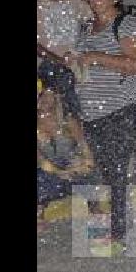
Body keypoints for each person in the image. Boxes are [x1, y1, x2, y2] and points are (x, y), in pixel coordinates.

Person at [67, 0, 136, 255]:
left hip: (119, 110)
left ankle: (120, 232)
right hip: (91, 112)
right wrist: (73, 60)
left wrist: (96, 57)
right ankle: (105, 230)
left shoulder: (125, 24)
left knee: (116, 172)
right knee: (97, 170)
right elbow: (79, 60)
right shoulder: (86, 27)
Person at [37, 0, 93, 116]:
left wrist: (80, 53)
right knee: (64, 100)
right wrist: (59, 60)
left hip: (77, 61)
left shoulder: (77, 3)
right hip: (47, 63)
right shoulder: (39, 6)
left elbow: (93, 27)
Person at [36, 85, 93, 230]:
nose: (45, 100)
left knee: (91, 177)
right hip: (50, 175)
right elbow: (42, 161)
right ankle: (39, 213)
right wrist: (59, 172)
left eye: (49, 95)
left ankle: (95, 214)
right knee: (40, 177)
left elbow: (86, 152)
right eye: (42, 96)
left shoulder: (68, 122)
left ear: (57, 99)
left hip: (73, 170)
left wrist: (79, 167)